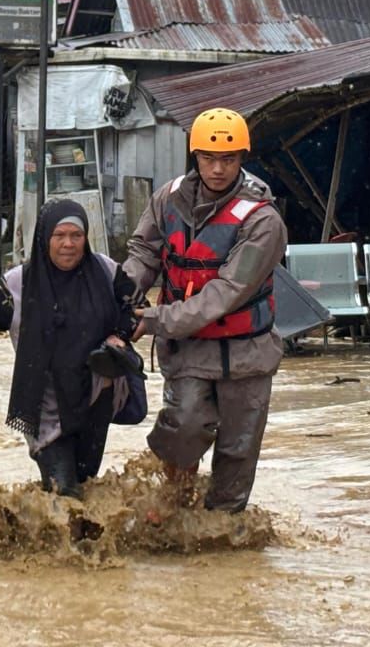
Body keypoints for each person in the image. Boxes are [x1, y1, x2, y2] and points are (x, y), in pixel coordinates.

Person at [0, 200, 136, 498]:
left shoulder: (106, 272)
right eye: (59, 236)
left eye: (76, 236)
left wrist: (119, 337)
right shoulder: (20, 285)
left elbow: (136, 308)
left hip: (96, 397)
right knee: (63, 492)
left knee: (86, 484)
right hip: (46, 404)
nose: (68, 244)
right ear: (44, 238)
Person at [122, 107, 286, 513]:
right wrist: (123, 295)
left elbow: (225, 293)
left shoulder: (263, 220)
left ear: (241, 158)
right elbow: (144, 251)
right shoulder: (168, 198)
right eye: (209, 158)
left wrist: (155, 320)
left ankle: (223, 528)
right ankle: (175, 510)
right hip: (189, 350)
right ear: (194, 156)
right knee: (183, 428)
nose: (217, 169)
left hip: (246, 354)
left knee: (237, 450)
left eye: (228, 159)